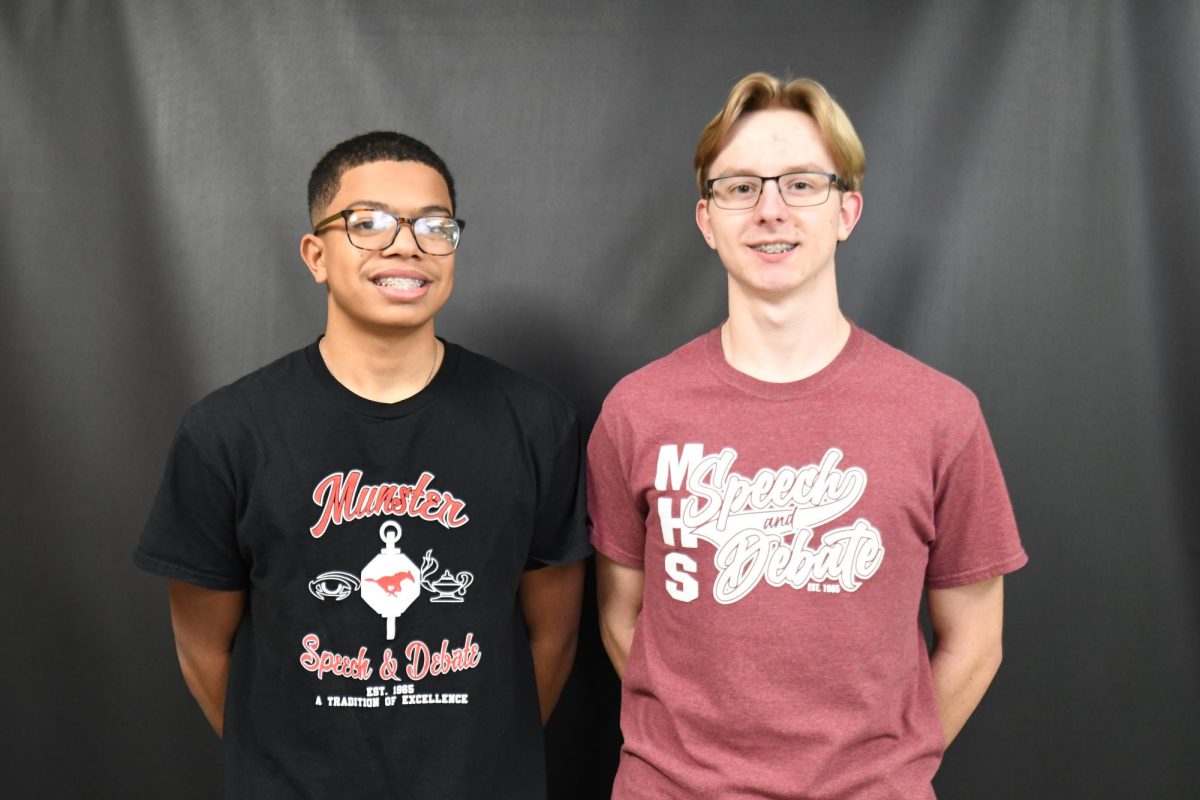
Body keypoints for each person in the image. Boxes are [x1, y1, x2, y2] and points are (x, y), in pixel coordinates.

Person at [588, 73, 1028, 798]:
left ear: (847, 210)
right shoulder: (637, 411)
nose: (769, 211)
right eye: (739, 188)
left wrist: (879, 776)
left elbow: (976, 642)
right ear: (706, 220)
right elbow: (618, 615)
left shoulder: (940, 414)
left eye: (801, 185)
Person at [135, 131, 590, 798]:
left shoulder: (535, 422)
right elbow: (204, 652)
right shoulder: (228, 432)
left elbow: (554, 637)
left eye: (435, 225)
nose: (406, 244)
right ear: (315, 255)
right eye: (368, 223)